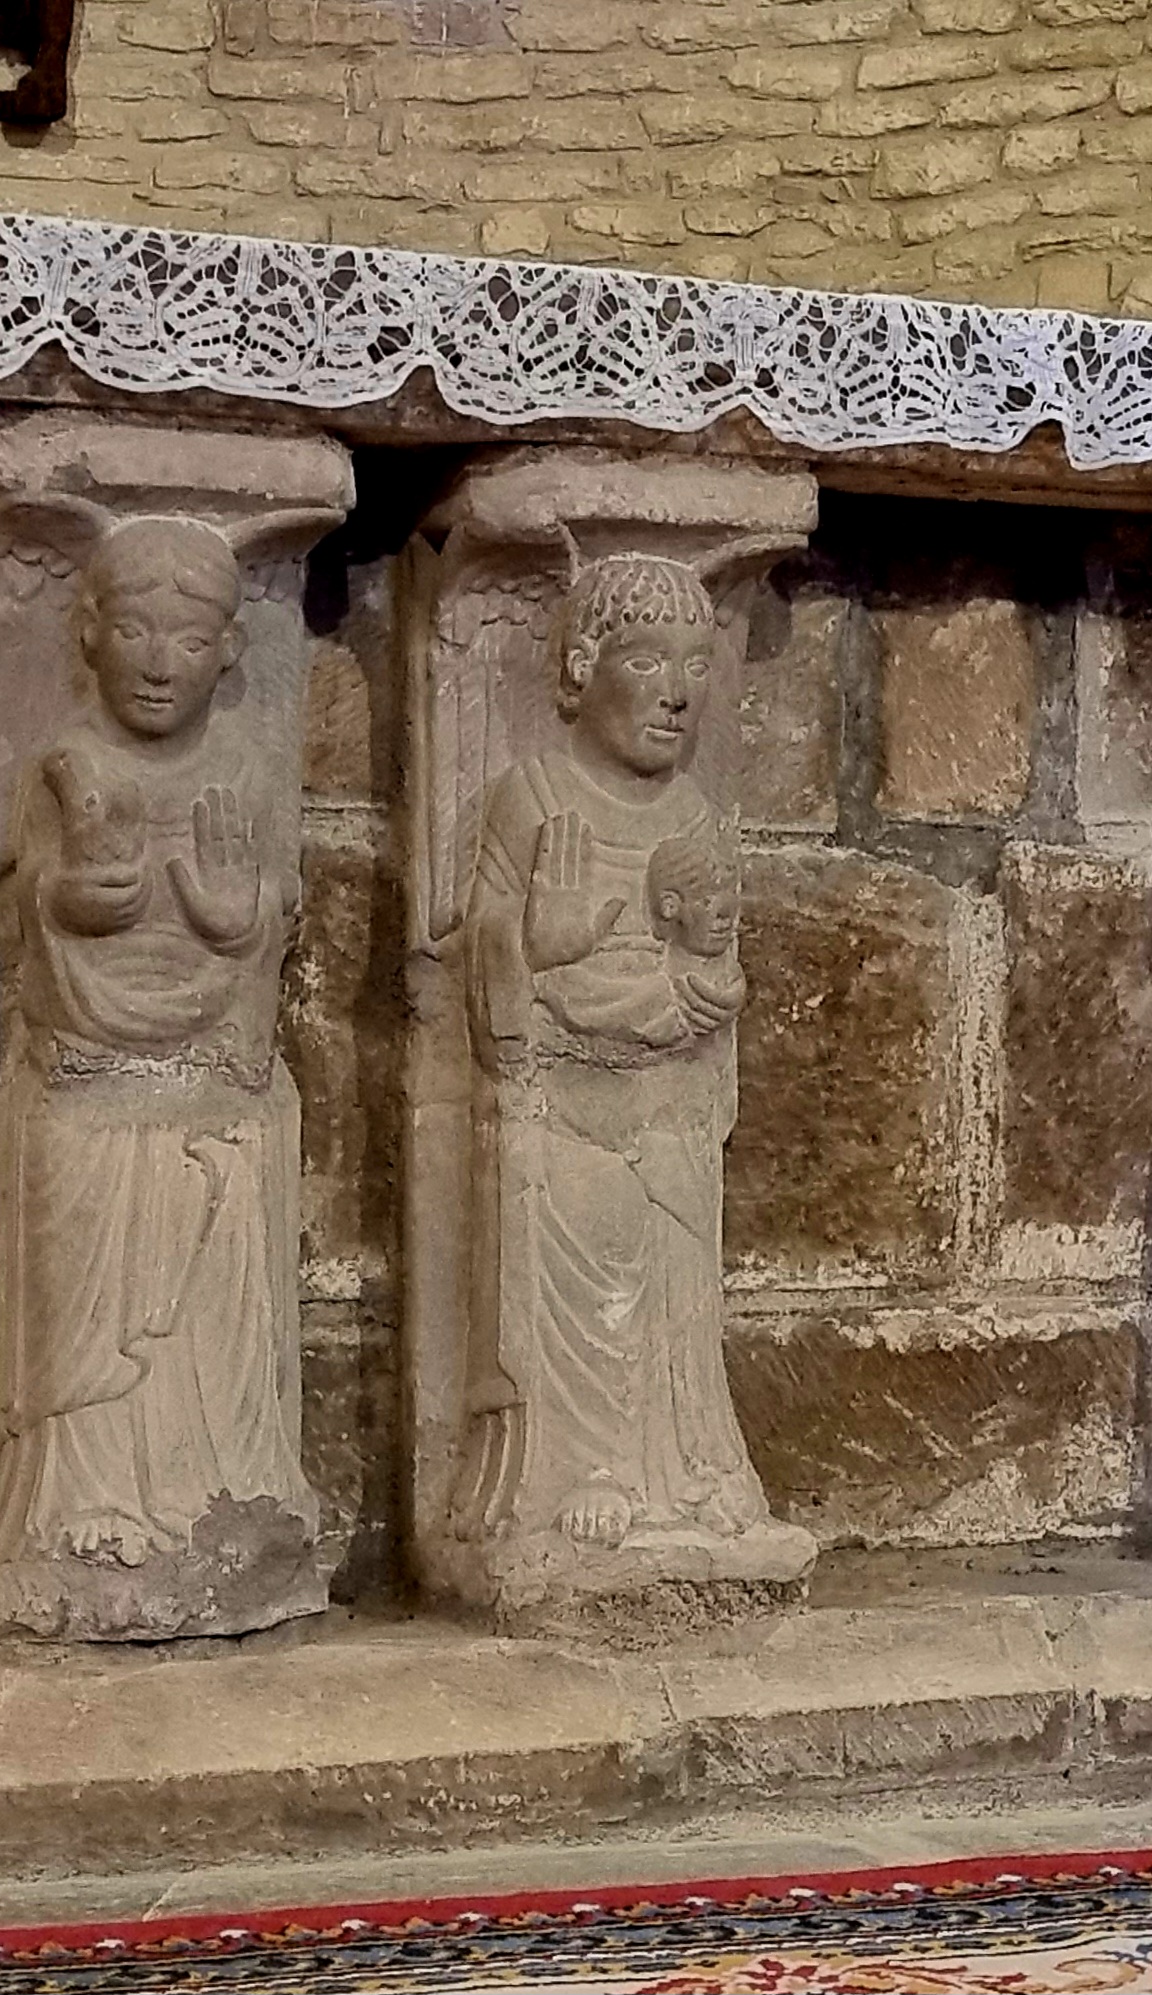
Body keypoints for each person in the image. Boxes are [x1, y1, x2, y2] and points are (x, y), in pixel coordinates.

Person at [0, 515, 318, 1638]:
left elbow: (274, 912)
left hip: (211, 1071)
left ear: (230, 650)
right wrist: (66, 900)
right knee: (82, 1282)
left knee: (218, 1281)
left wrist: (238, 912)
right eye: (136, 632)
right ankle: (80, 1499)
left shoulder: (245, 772)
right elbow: (24, 905)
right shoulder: (67, 766)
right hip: (86, 1068)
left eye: (191, 637)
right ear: (89, 634)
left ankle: (228, 1496)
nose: (161, 662)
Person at [448, 551, 811, 1589]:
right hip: (562, 1113)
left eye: (695, 664)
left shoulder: (692, 813)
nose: (677, 691)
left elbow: (710, 964)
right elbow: (483, 962)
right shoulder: (531, 797)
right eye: (646, 660)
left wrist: (700, 980)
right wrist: (533, 944)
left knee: (670, 1298)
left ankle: (681, 1473)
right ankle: (577, 1473)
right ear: (579, 668)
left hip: (664, 1107)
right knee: (575, 1257)